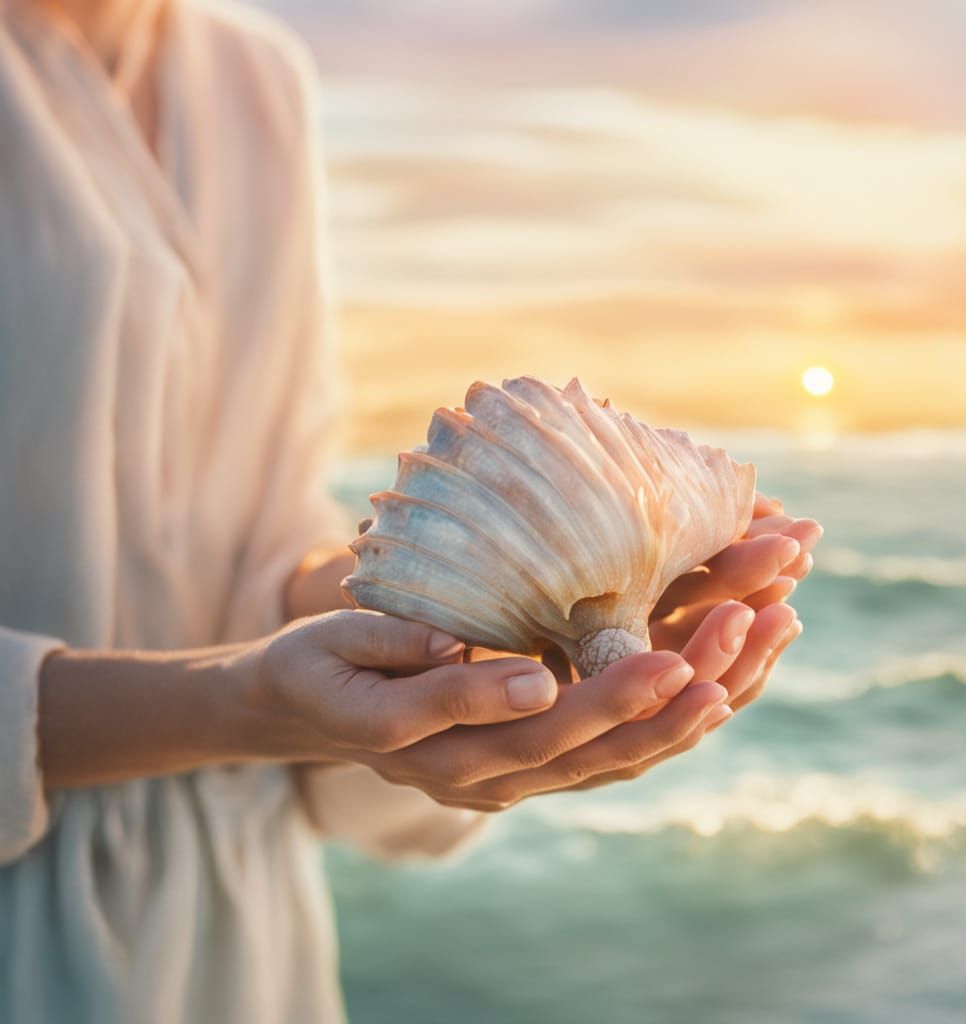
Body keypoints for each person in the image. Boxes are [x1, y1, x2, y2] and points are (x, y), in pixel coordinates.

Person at [0, 1, 823, 1021]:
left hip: (238, 929)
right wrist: (245, 705)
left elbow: (253, 548)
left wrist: (469, 608)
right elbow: (245, 675)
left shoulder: (255, 76)